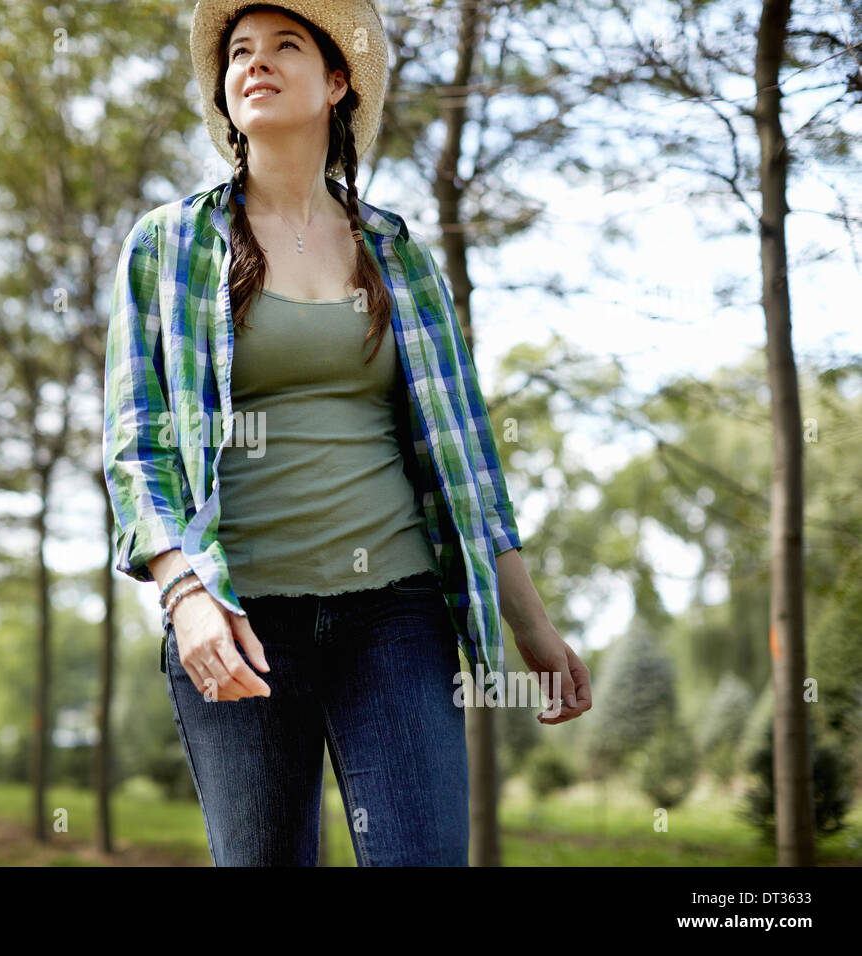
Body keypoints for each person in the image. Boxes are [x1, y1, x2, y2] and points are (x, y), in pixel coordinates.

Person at [102, 1, 592, 865]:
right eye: (240, 51)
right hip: (237, 614)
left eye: (285, 45)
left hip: (395, 615)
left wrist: (534, 628)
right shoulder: (168, 246)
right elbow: (137, 447)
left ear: (336, 83)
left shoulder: (398, 255)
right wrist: (183, 597)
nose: (255, 61)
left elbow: (466, 460)